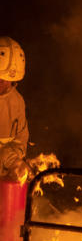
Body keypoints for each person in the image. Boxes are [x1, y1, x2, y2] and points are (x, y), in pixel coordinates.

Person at [1, 36, 29, 182]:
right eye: (0, 79)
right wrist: (7, 159)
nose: (4, 85)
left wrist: (16, 160)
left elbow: (21, 140)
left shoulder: (17, 101)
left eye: (8, 80)